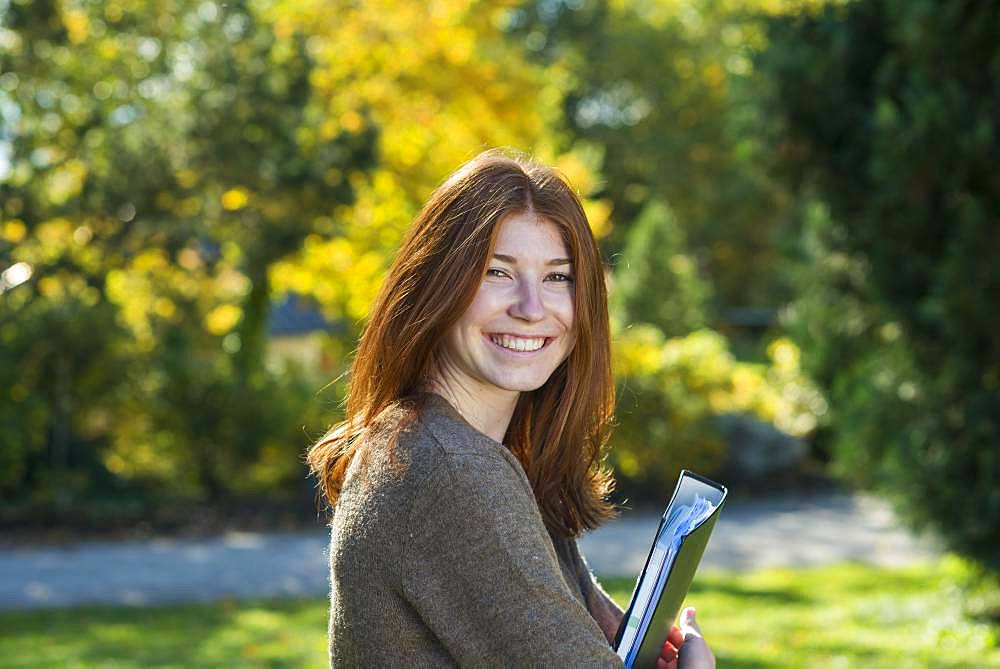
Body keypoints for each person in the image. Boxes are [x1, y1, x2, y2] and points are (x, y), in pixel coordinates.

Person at [307, 148, 715, 668]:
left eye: (557, 277)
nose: (530, 308)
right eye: (497, 273)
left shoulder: (430, 445)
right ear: (436, 284)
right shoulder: (452, 470)